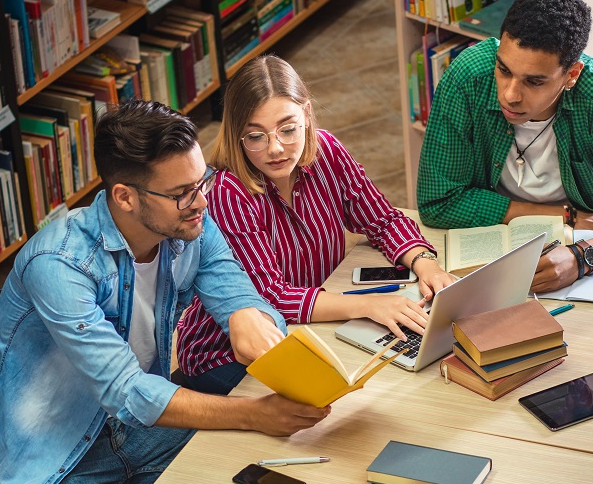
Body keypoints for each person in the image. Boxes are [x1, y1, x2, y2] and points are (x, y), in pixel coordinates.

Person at [0, 100, 330, 484]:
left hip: (139, 430)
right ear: (125, 196)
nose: (201, 201)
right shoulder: (59, 264)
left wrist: (247, 314)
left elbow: (232, 285)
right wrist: (252, 413)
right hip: (56, 462)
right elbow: (127, 392)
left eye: (201, 182)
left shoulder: (184, 220)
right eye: (181, 192)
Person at [176, 55, 457, 395]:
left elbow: (382, 219)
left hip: (305, 329)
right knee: (340, 403)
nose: (276, 149)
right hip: (224, 355)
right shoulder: (227, 192)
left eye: (288, 129)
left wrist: (424, 263)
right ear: (236, 135)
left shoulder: (328, 151)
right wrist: (368, 304)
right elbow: (271, 298)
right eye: (256, 136)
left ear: (306, 115)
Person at [417, 0, 593, 292]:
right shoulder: (467, 79)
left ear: (572, 75)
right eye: (504, 69)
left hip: (581, 247)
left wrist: (582, 258)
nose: (510, 95)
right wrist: (566, 215)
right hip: (500, 239)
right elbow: (437, 202)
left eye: (534, 81)